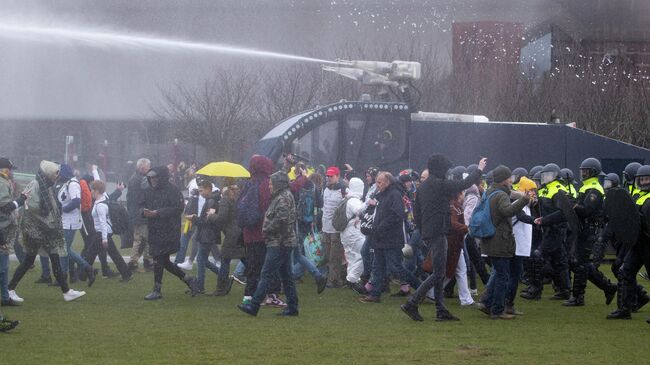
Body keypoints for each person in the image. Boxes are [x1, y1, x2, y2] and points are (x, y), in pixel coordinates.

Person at [401, 154, 486, 322]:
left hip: (430, 232)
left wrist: (423, 231)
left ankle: (441, 309)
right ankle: (413, 302)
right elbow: (464, 184)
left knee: (438, 272)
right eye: (446, 169)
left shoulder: (424, 187)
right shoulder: (439, 184)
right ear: (440, 168)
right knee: (439, 273)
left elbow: (417, 213)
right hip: (439, 231)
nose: (448, 172)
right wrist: (479, 170)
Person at [8, 160, 86, 302]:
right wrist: (47, 214)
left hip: (46, 230)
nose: (58, 175)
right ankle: (10, 289)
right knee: (29, 261)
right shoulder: (36, 184)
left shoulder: (48, 185)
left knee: (54, 258)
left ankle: (66, 291)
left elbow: (52, 205)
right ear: (49, 173)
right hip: (36, 230)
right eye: (56, 173)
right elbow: (31, 205)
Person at [238, 170, 299, 316]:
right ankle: (292, 307)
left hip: (279, 243)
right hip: (282, 242)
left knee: (266, 273)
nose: (269, 186)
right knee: (286, 276)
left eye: (271, 183)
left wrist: (266, 230)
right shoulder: (281, 196)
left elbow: (282, 219)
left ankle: (254, 306)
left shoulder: (283, 197)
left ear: (278, 184)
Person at [477, 166, 530, 320]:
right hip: (500, 240)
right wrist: (524, 200)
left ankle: (486, 302)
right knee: (503, 276)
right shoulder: (501, 195)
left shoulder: (490, 191)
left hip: (490, 239)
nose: (511, 180)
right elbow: (507, 211)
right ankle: (497, 310)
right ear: (504, 179)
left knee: (498, 274)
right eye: (509, 178)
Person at [358, 172, 421, 303]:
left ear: (388, 182)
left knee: (396, 267)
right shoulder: (383, 195)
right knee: (378, 266)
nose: (377, 184)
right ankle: (375, 294)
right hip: (380, 237)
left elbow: (397, 215)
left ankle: (421, 288)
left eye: (380, 182)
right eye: (376, 182)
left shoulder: (394, 194)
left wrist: (381, 227)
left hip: (391, 238)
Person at [563, 158, 617, 307]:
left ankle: (578, 297)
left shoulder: (594, 189)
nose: (582, 173)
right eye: (582, 170)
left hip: (589, 230)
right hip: (582, 229)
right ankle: (608, 287)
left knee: (580, 264)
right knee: (582, 264)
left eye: (585, 171)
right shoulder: (585, 187)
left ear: (593, 172)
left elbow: (586, 210)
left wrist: (573, 204)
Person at [142, 166, 198, 300]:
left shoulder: (172, 190)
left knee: (158, 259)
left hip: (168, 230)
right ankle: (189, 280)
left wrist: (158, 212)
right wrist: (143, 212)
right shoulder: (149, 191)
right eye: (151, 178)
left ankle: (157, 289)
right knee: (163, 261)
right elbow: (141, 205)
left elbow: (178, 208)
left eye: (155, 177)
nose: (153, 180)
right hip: (155, 229)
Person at [239, 155, 284, 307]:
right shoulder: (266, 184)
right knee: (270, 266)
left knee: (253, 266)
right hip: (263, 232)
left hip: (248, 233)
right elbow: (268, 208)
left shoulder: (248, 184)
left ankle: (248, 296)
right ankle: (271, 295)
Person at [608, 165, 650, 320]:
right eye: (642, 179)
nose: (644, 182)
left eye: (647, 179)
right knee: (625, 272)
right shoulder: (637, 196)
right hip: (636, 243)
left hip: (648, 244)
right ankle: (624, 309)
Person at [532, 163, 572, 300]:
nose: (546, 178)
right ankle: (564, 290)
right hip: (548, 229)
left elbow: (562, 213)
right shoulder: (544, 190)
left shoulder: (558, 189)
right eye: (545, 175)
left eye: (549, 175)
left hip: (556, 230)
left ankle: (535, 289)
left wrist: (544, 220)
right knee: (559, 261)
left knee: (539, 255)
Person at [85, 180, 133, 282]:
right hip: (103, 233)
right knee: (94, 254)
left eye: (92, 190)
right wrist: (94, 170)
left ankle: (83, 274)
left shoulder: (100, 205)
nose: (90, 192)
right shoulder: (104, 197)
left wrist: (104, 239)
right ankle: (84, 274)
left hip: (102, 233)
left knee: (92, 254)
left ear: (96, 191)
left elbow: (102, 223)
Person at [57, 164, 96, 286]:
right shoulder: (68, 183)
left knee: (64, 250)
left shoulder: (72, 184)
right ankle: (65, 276)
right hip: (66, 221)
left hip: (69, 222)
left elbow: (76, 201)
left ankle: (86, 267)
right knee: (64, 250)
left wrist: (63, 210)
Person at [207, 179, 244, 296]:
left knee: (225, 260)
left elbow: (222, 218)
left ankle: (221, 288)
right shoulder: (240, 196)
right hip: (241, 232)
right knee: (246, 259)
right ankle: (265, 282)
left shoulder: (225, 199)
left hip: (231, 234)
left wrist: (211, 216)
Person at [0, 158, 26, 307]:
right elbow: (3, 208)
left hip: (3, 228)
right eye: (10, 169)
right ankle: (4, 296)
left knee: (4, 267)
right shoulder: (2, 183)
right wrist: (20, 201)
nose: (11, 172)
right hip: (2, 229)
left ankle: (5, 297)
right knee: (2, 268)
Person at [189, 180, 221, 294]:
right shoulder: (211, 200)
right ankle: (223, 275)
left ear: (208, 188)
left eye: (201, 190)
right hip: (208, 234)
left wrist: (194, 219)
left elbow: (207, 221)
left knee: (200, 259)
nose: (200, 193)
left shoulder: (211, 201)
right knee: (203, 260)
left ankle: (200, 286)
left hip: (207, 234)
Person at [322, 166, 347, 288]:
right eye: (327, 176)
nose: (329, 178)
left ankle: (334, 280)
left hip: (336, 227)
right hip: (325, 225)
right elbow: (324, 206)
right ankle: (332, 277)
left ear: (338, 176)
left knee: (334, 255)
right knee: (327, 254)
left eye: (331, 176)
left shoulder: (342, 190)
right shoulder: (326, 189)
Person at [127, 158, 153, 273]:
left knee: (145, 238)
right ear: (143, 168)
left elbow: (130, 198)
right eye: (148, 167)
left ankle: (147, 261)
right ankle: (133, 263)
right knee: (140, 239)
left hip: (137, 212)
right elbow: (144, 196)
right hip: (141, 213)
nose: (149, 169)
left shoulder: (134, 178)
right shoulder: (141, 179)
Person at [340, 177, 366, 293]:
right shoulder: (354, 200)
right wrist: (368, 203)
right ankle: (352, 279)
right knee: (362, 255)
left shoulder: (346, 199)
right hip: (354, 232)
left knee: (351, 257)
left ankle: (353, 281)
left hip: (345, 232)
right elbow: (358, 210)